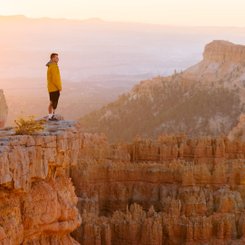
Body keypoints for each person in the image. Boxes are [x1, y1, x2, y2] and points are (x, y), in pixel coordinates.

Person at [46, 53, 62, 121]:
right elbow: (55, 79)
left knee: (53, 102)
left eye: (57, 58)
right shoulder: (53, 67)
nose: (58, 59)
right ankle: (50, 116)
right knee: (53, 102)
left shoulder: (52, 66)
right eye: (56, 57)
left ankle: (52, 115)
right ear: (52, 58)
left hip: (52, 87)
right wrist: (59, 87)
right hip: (54, 88)